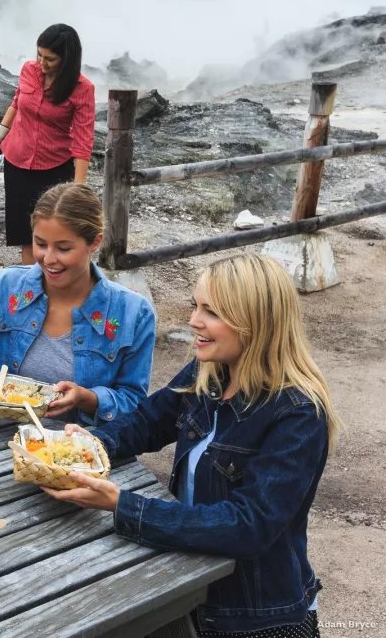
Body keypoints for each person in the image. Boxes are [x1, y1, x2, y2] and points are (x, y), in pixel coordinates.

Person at [45, 254, 343, 638]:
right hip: (190, 584)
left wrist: (125, 505)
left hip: (255, 617)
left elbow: (247, 525)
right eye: (195, 305)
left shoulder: (299, 414)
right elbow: (148, 422)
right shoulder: (210, 372)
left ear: (255, 322)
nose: (193, 321)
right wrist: (90, 442)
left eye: (212, 312)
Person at [0, 183, 154, 425]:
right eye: (40, 243)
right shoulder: (3, 287)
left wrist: (88, 398)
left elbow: (134, 403)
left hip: (76, 451)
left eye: (63, 248)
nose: (48, 259)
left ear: (95, 242)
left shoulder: (134, 314)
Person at [0, 23, 96, 264]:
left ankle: (53, 285)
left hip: (53, 167)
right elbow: (17, 101)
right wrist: (0, 133)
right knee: (24, 233)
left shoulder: (82, 89)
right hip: (17, 160)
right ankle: (31, 285)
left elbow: (83, 138)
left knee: (54, 232)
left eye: (50, 59)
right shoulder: (29, 70)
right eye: (40, 55)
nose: (42, 63)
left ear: (67, 59)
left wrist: (78, 188)